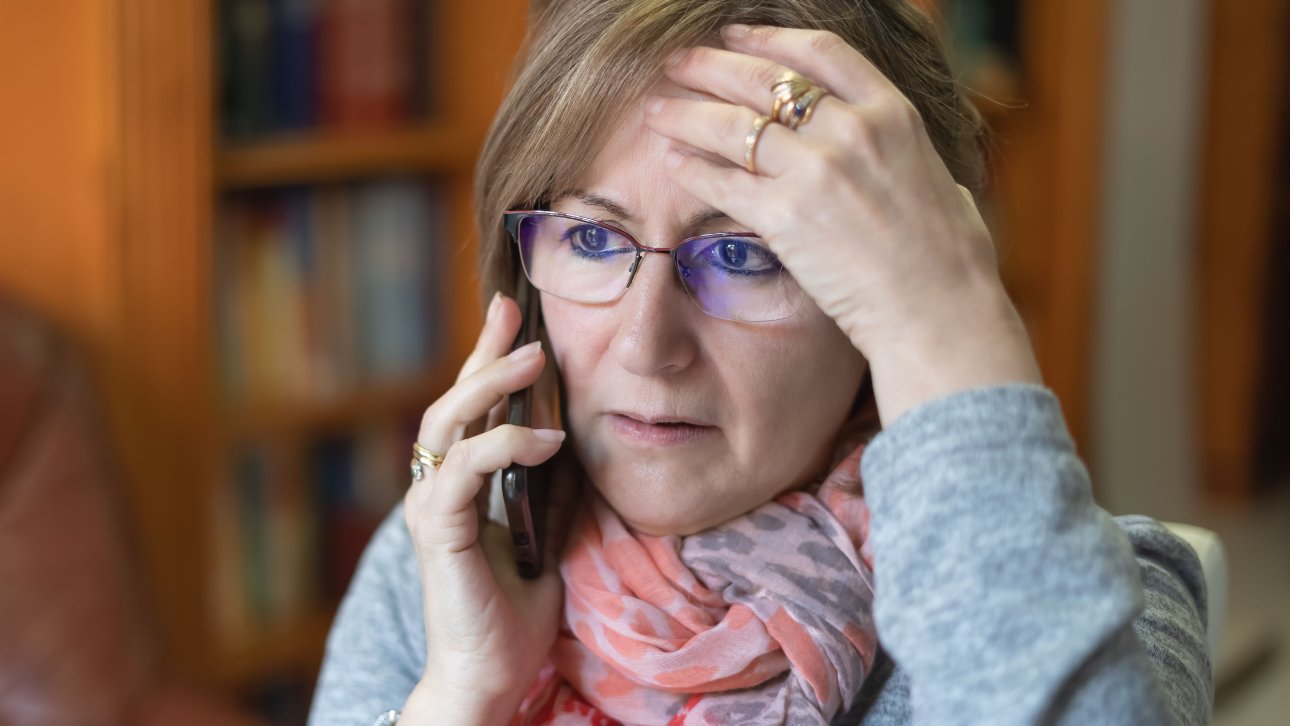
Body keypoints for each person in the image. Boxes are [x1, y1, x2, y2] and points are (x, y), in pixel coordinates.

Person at [309, 0, 1212, 724]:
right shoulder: (457, 552)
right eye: (590, 236)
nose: (644, 345)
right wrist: (459, 697)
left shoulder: (1108, 600)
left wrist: (950, 323)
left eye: (744, 255)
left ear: (885, 301)